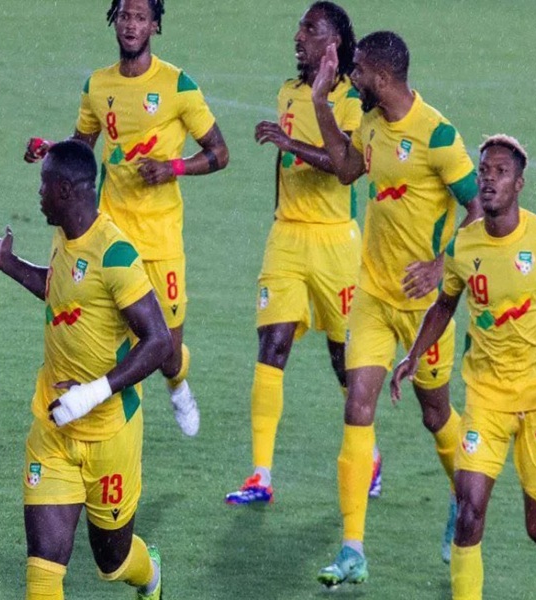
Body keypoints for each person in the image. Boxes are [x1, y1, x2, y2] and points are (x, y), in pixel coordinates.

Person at [311, 30, 483, 584]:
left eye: (359, 71)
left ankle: (462, 493)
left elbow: (478, 212)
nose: (353, 77)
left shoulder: (438, 135)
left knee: (436, 414)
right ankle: (352, 550)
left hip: (425, 308)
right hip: (374, 297)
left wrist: (441, 264)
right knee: (357, 405)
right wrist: (319, 103)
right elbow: (345, 169)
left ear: (382, 78)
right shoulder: (371, 122)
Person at [391, 135, 536, 600]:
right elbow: (445, 303)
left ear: (519, 184)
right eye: (483, 171)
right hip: (485, 398)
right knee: (469, 511)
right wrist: (413, 354)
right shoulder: (464, 245)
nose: (488, 179)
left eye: (500, 172)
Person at [23, 0, 229, 437]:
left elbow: (219, 153)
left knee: (167, 352)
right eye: (124, 16)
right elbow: (81, 147)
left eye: (140, 17)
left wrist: (172, 168)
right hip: (110, 235)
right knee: (102, 332)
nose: (131, 25)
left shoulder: (178, 86)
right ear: (114, 21)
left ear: (154, 25)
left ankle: (178, 384)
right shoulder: (98, 86)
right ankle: (98, 418)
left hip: (161, 238)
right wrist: (50, 148)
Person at [0, 140, 171, 600]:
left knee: (113, 562)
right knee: (43, 572)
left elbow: (159, 341)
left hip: (109, 433)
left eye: (43, 184)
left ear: (65, 191)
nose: (38, 193)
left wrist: (91, 394)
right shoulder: (64, 235)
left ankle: (150, 577)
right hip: (53, 426)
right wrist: (9, 264)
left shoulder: (116, 255)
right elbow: (61, 291)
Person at [225, 1, 384, 506]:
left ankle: (369, 454)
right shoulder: (288, 92)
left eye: (309, 29)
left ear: (333, 43)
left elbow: (347, 168)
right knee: (272, 346)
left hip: (336, 243)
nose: (298, 36)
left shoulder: (354, 100)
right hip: (287, 239)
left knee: (344, 359)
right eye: (299, 28)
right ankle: (260, 474)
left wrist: (289, 144)